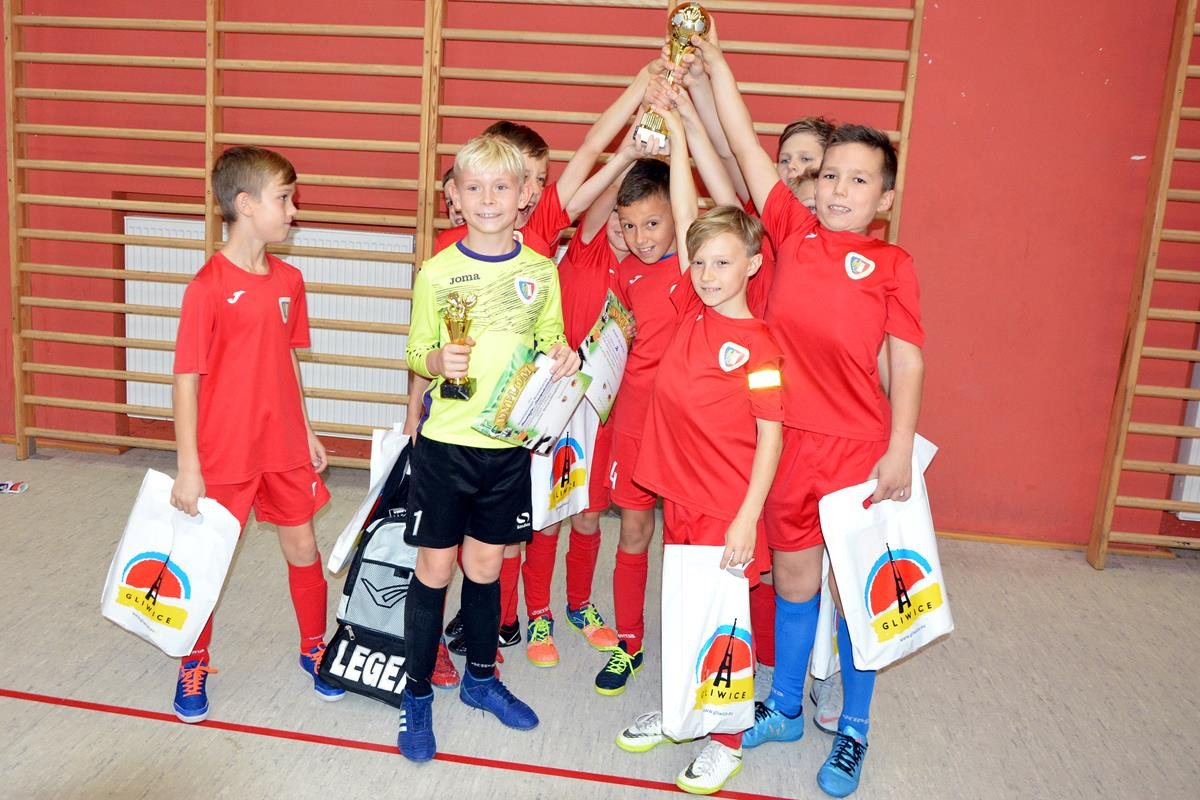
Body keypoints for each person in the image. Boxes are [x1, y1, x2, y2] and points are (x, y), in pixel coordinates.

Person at [695, 22, 926, 798]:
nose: (837, 189)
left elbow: (907, 360)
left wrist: (899, 448)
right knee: (795, 583)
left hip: (857, 449)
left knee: (860, 598)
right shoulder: (790, 231)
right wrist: (717, 61)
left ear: (884, 200)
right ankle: (787, 707)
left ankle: (853, 728)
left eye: (859, 180)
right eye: (830, 174)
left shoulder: (893, 264)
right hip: (787, 445)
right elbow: (745, 144)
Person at [613, 97, 784, 795]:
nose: (708, 274)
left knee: (724, 619)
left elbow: (771, 435)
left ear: (752, 265)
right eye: (701, 263)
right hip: (679, 495)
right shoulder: (691, 304)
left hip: (724, 506)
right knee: (684, 606)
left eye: (722, 263)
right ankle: (683, 708)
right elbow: (687, 213)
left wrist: (747, 517)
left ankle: (727, 738)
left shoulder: (760, 345)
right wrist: (678, 137)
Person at [397, 134, 581, 762]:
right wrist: (434, 361)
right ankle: (417, 694)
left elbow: (550, 338)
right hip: (446, 447)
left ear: (525, 194)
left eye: (501, 187)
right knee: (434, 569)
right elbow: (415, 349)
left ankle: (480, 678)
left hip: (506, 448)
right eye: (473, 188)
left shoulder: (541, 270)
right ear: (454, 196)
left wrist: (561, 355)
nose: (487, 199)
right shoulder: (437, 270)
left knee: (485, 567)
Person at [169, 146, 343, 722]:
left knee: (304, 547)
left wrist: (307, 428)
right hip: (225, 450)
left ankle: (314, 647)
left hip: (283, 444)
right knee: (208, 559)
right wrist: (189, 467)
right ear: (245, 205)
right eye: (284, 199)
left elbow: (286, 359)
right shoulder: (207, 287)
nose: (294, 210)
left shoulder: (290, 279)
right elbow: (186, 380)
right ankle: (193, 659)